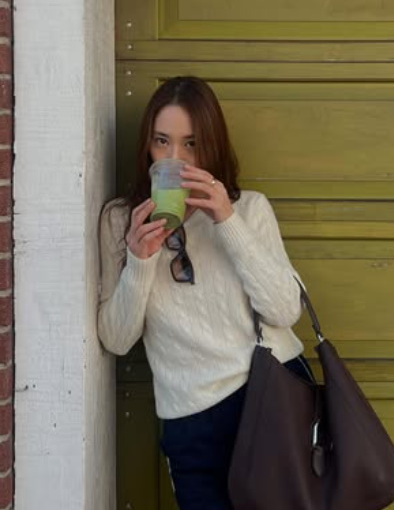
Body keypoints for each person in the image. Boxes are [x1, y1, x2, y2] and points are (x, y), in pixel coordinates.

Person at [98, 76, 312, 510]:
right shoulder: (122, 222)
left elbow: (285, 310)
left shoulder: (249, 208)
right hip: (190, 419)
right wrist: (140, 260)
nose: (175, 159)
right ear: (147, 146)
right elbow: (116, 339)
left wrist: (227, 222)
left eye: (191, 144)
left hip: (269, 398)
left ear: (211, 146)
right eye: (162, 141)